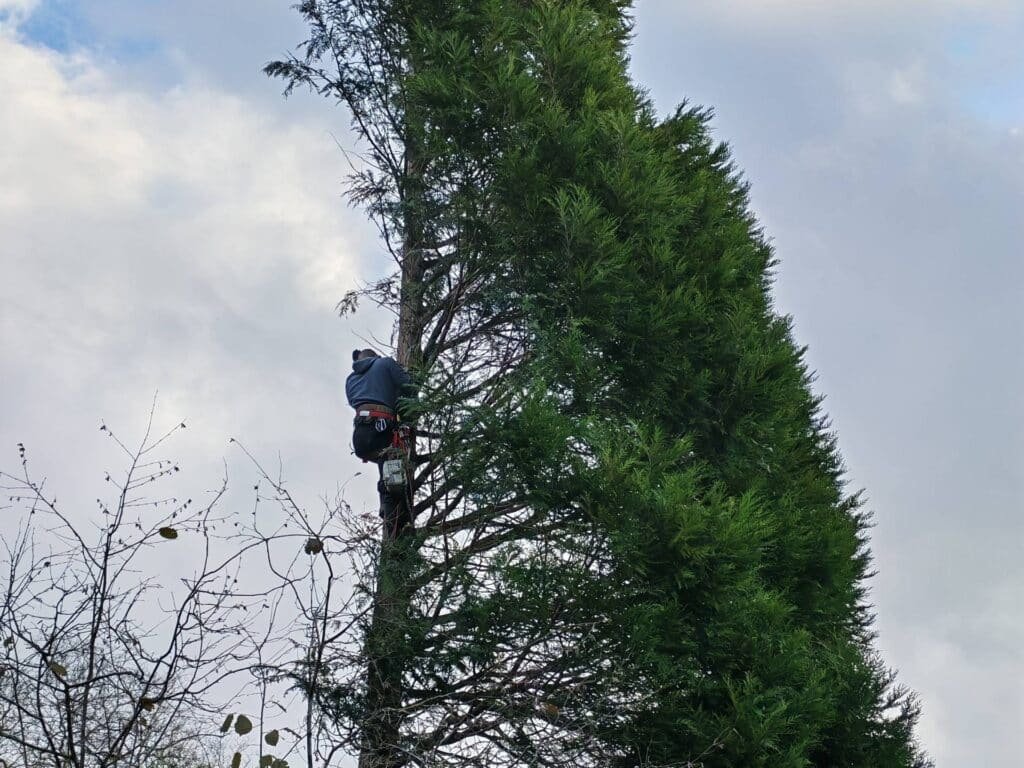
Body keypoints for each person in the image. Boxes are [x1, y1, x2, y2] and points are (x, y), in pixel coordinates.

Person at [346, 348, 414, 532]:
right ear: (375, 356)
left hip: (360, 436)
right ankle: (398, 523)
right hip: (381, 427)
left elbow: (355, 401)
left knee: (386, 466)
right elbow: (409, 386)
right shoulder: (385, 363)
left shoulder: (351, 380)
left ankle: (386, 506)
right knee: (394, 474)